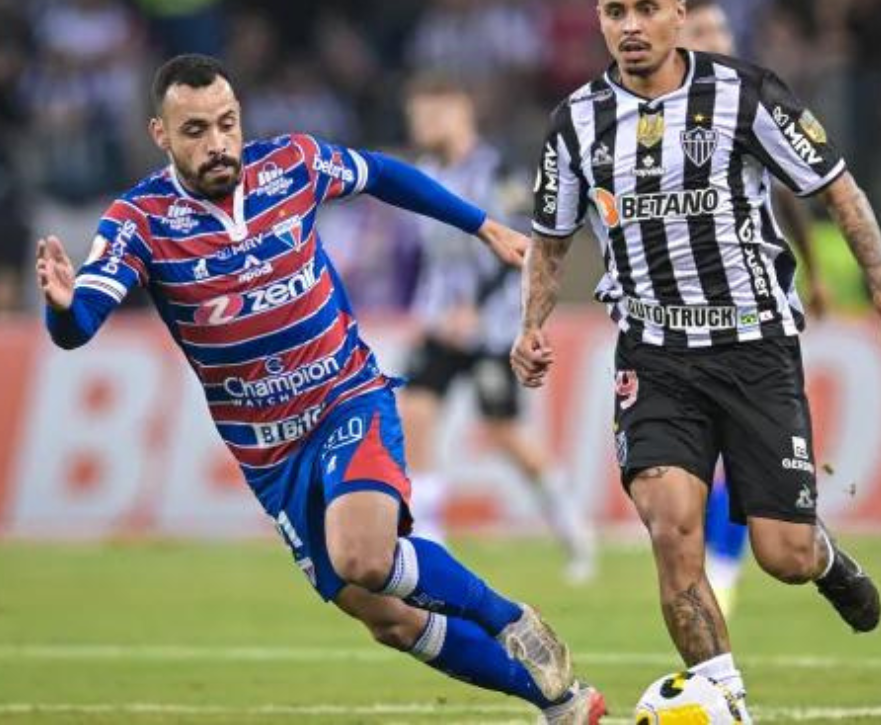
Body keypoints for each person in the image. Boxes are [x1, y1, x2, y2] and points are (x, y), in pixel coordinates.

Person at [35, 54, 606, 725]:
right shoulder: (140, 222)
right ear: (160, 134)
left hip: (345, 399)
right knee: (389, 620)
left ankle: (507, 616)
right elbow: (79, 323)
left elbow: (384, 175)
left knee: (362, 555)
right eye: (195, 131)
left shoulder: (292, 164)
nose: (218, 144)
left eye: (227, 123)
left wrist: (482, 226)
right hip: (269, 457)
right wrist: (59, 305)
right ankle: (560, 702)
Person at [510, 0, 881, 721]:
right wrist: (530, 325)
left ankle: (824, 555)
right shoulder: (575, 122)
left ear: (678, 12)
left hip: (753, 347)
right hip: (653, 354)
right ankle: (727, 701)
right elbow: (551, 237)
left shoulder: (745, 95)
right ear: (598, 21)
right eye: (614, 12)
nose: (631, 26)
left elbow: (838, 189)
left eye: (645, 8)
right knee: (672, 528)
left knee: (783, 553)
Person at [396, 75, 596, 581]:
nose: (423, 122)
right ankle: (428, 540)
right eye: (418, 112)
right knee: (415, 413)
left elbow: (527, 243)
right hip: (441, 321)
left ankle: (571, 525)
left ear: (462, 110)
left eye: (433, 109)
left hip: (493, 325)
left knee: (503, 431)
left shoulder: (497, 169)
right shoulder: (422, 173)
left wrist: (477, 306)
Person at [681, 0, 832, 618]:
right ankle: (715, 567)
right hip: (675, 320)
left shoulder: (747, 104)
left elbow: (790, 192)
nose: (715, 39)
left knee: (743, 460)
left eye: (722, 29)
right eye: (702, 31)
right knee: (691, 467)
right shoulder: (649, 116)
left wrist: (816, 270)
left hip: (755, 314)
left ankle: (723, 566)